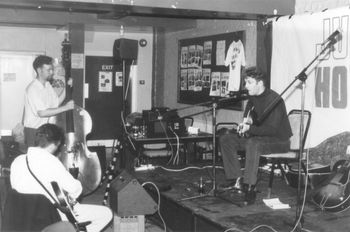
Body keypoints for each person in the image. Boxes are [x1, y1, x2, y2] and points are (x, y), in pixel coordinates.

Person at [10, 123, 112, 232]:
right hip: (50, 216)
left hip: (22, 218)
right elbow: (76, 190)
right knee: (106, 214)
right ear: (56, 143)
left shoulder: (17, 161)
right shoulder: (51, 161)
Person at [219, 67, 292, 205]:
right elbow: (249, 118)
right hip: (259, 138)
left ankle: (249, 187)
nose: (246, 86)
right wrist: (245, 125)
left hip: (279, 141)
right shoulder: (252, 99)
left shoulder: (275, 100)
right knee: (226, 139)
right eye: (245, 82)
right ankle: (236, 180)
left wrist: (250, 128)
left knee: (253, 143)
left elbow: (272, 129)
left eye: (249, 82)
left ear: (260, 83)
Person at [23, 55, 74, 147]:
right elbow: (42, 113)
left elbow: (56, 103)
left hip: (45, 129)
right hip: (34, 130)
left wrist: (67, 87)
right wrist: (66, 107)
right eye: (48, 70)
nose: (51, 72)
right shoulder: (32, 89)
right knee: (36, 159)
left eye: (52, 69)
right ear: (39, 70)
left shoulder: (47, 85)